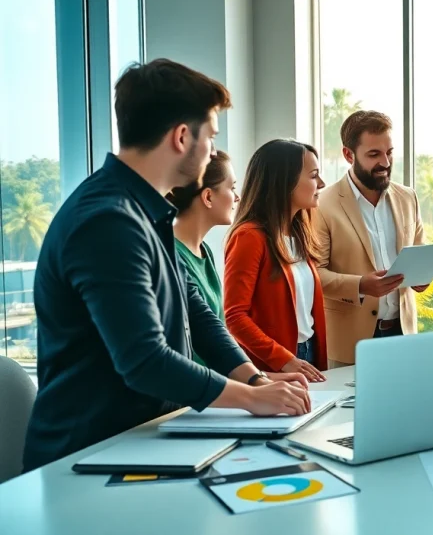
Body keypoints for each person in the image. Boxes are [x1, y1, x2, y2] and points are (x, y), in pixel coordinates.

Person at [23, 59, 310, 473]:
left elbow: (199, 314)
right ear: (181, 137)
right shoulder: (108, 220)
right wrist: (250, 399)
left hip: (143, 442)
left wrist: (255, 380)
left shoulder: (147, 212)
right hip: (86, 457)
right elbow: (144, 360)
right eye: (211, 137)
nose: (212, 150)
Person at [313, 110, 427, 368]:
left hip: (403, 335)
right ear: (348, 155)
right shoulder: (322, 204)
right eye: (374, 154)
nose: (385, 162)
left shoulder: (408, 197)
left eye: (389, 152)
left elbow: (419, 251)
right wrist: (360, 286)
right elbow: (313, 274)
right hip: (349, 343)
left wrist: (422, 276)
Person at [224, 139, 329, 382]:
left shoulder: (299, 234)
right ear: (285, 182)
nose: (321, 183)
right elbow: (235, 317)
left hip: (308, 354)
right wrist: (283, 359)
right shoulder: (249, 237)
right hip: (274, 365)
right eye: (313, 175)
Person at [166, 151, 239, 365]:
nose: (237, 197)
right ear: (208, 197)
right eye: (232, 188)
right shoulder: (171, 255)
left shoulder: (204, 249)